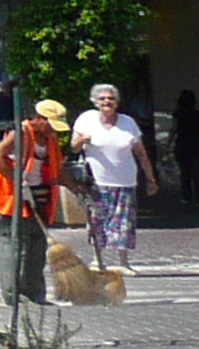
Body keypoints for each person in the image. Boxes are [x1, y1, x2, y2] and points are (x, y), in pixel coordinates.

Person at [68, 84, 160, 269]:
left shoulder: (128, 123)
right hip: (96, 181)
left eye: (111, 99)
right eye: (102, 99)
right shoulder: (86, 119)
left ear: (117, 102)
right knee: (96, 221)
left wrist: (150, 179)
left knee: (123, 223)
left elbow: (141, 153)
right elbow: (73, 147)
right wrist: (81, 140)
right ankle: (97, 260)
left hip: (125, 180)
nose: (106, 102)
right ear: (96, 102)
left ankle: (124, 263)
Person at [0, 100, 67, 301]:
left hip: (40, 199)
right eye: (50, 124)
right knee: (15, 249)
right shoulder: (21, 133)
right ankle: (13, 295)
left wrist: (78, 189)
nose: (52, 130)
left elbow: (59, 168)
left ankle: (35, 294)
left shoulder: (50, 138)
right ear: (39, 119)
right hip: (12, 201)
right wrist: (17, 181)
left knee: (37, 249)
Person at [177, 90, 199, 211]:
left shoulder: (178, 114)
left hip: (182, 145)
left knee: (185, 172)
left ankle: (186, 196)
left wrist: (168, 143)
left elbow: (173, 130)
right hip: (197, 146)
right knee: (198, 174)